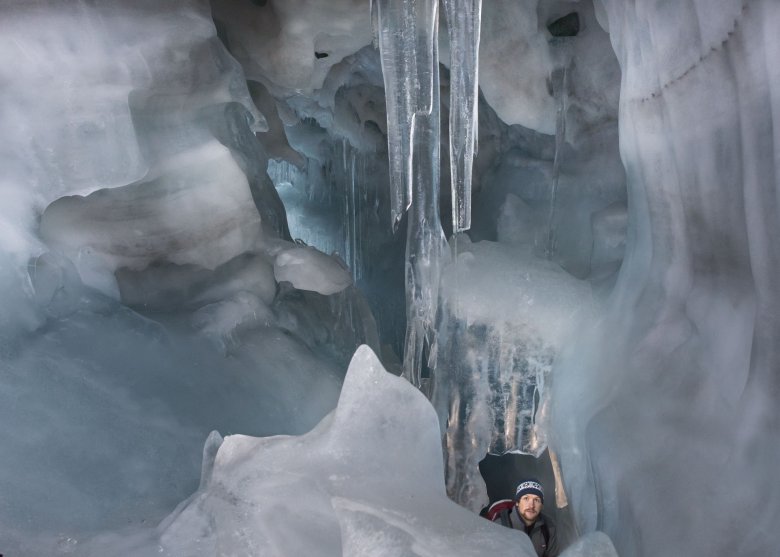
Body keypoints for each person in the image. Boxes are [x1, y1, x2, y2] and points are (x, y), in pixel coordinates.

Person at [507, 479, 560, 557]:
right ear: (517, 502)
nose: (531, 505)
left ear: (541, 505)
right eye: (526, 498)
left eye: (536, 500)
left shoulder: (549, 528)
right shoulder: (501, 526)